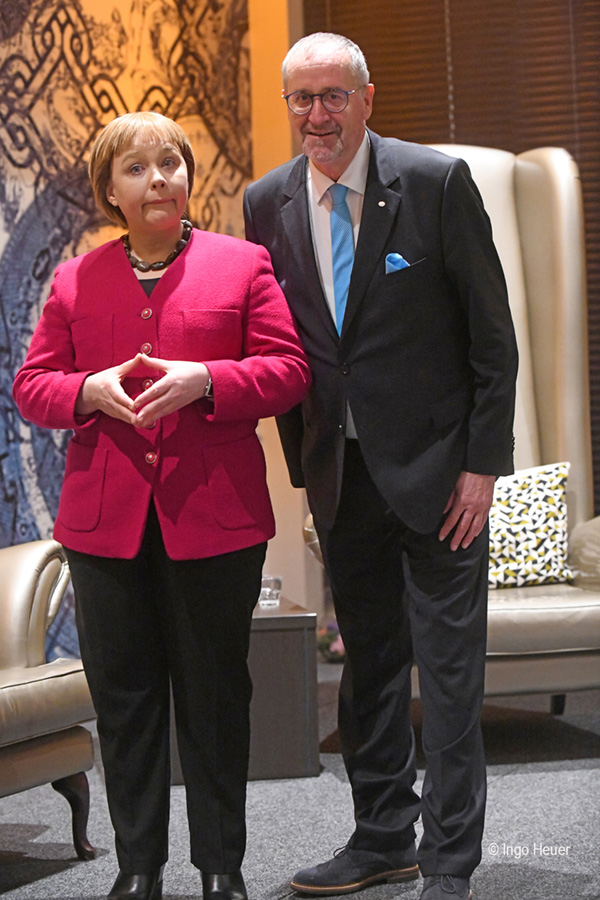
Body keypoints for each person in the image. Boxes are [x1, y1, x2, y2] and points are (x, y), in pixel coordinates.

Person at [243, 32, 518, 900]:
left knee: (449, 673)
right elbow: (282, 344)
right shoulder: (265, 201)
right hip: (341, 475)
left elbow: (492, 341)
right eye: (301, 98)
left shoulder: (435, 182)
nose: (317, 115)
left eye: (333, 95)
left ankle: (450, 861)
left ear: (367, 98)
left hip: (443, 479)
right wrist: (304, 470)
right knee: (367, 670)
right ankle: (381, 837)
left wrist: (481, 468)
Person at [13, 111, 311, 900]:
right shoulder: (75, 280)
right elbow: (32, 386)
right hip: (104, 527)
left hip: (216, 518)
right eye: (138, 168)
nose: (159, 180)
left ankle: (221, 868)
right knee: (126, 700)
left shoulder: (242, 265)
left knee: (215, 699)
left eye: (171, 163)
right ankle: (138, 867)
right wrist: (88, 390)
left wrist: (207, 380)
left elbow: (288, 370)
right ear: (110, 189)